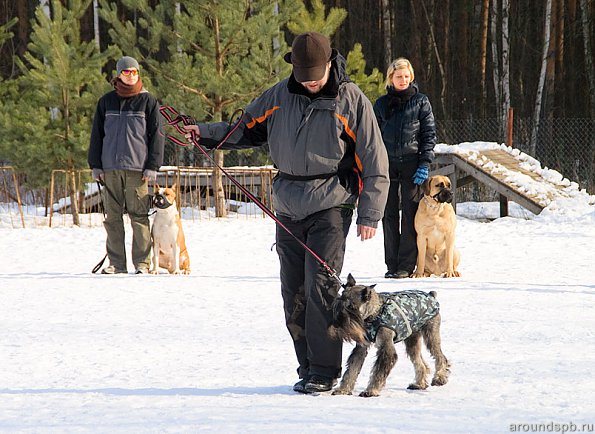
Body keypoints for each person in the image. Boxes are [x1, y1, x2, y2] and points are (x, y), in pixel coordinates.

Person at [182, 32, 389, 394]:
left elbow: (374, 158)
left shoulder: (351, 99)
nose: (310, 81)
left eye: (316, 74)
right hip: (288, 206)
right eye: (303, 74)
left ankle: (325, 371)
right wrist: (203, 132)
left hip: (331, 203)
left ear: (329, 64)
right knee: (292, 290)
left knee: (321, 288)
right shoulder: (279, 95)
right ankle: (307, 366)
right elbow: (243, 129)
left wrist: (371, 213)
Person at [88, 55, 164, 275]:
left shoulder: (148, 102)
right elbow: (97, 136)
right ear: (118, 75)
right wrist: (96, 165)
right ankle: (116, 264)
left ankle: (142, 263)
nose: (131, 76)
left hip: (138, 170)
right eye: (126, 72)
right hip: (109, 168)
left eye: (134, 72)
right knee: (112, 218)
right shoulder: (106, 102)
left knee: (138, 216)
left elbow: (157, 136)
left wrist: (152, 165)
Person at [373, 58, 436, 279]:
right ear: (391, 78)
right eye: (399, 76)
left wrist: (425, 163)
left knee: (410, 214)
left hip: (412, 163)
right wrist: (373, 165)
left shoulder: (421, 102)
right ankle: (391, 264)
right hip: (386, 165)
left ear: (411, 78)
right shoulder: (381, 104)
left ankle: (405, 266)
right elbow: (373, 137)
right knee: (388, 214)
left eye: (407, 76)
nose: (403, 80)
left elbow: (428, 134)